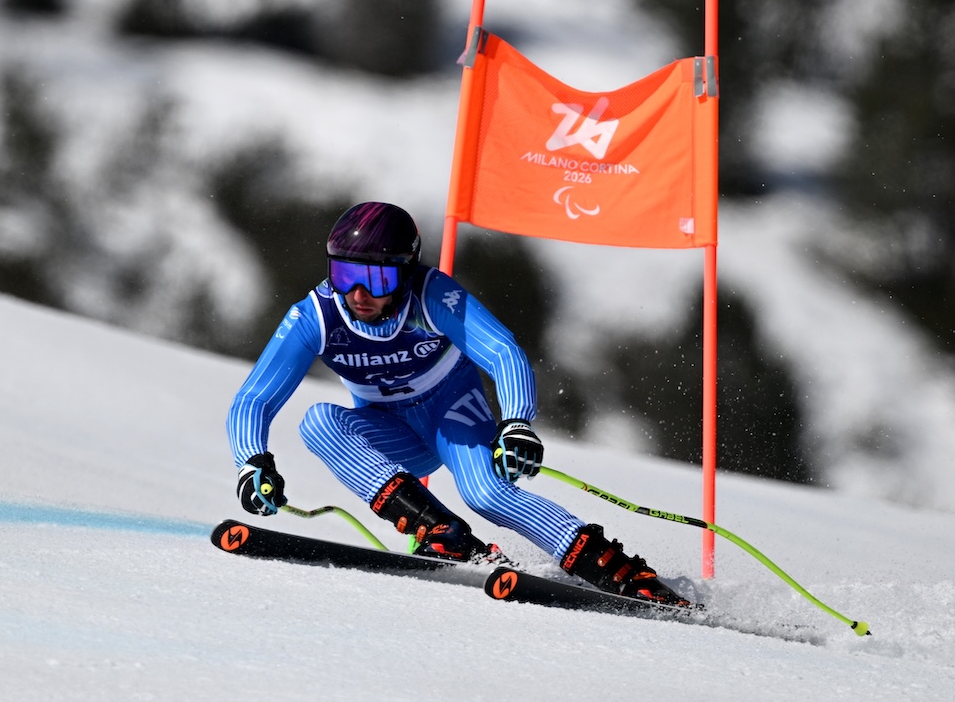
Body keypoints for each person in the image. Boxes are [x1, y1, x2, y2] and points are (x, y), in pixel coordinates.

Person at [227, 201, 689, 606]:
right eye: (345, 274)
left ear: (405, 271)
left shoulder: (432, 296)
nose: (358, 294)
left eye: (375, 276)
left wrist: (517, 425)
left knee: (485, 494)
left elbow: (503, 351)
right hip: (392, 430)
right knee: (318, 422)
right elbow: (254, 397)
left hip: (452, 413)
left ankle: (619, 572)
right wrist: (252, 462)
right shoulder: (315, 316)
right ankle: (442, 533)